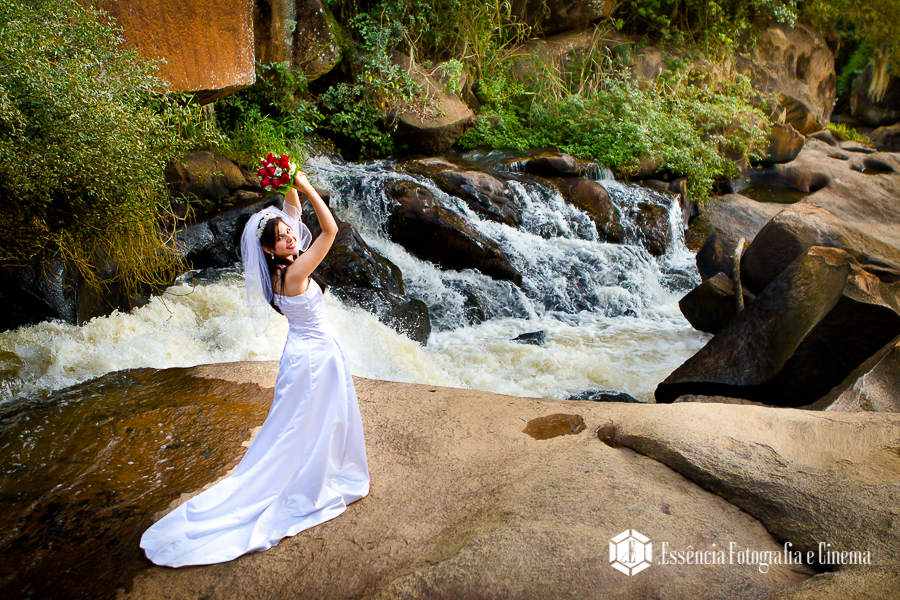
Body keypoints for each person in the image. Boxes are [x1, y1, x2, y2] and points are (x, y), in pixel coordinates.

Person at [140, 172, 370, 567]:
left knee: (302, 422)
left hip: (304, 352)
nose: (292, 238)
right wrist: (309, 184)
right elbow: (329, 230)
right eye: (283, 238)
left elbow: (293, 212)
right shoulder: (293, 274)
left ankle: (311, 468)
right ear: (267, 250)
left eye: (290, 233)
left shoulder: (276, 272)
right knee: (310, 422)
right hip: (315, 357)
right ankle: (307, 479)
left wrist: (285, 178)